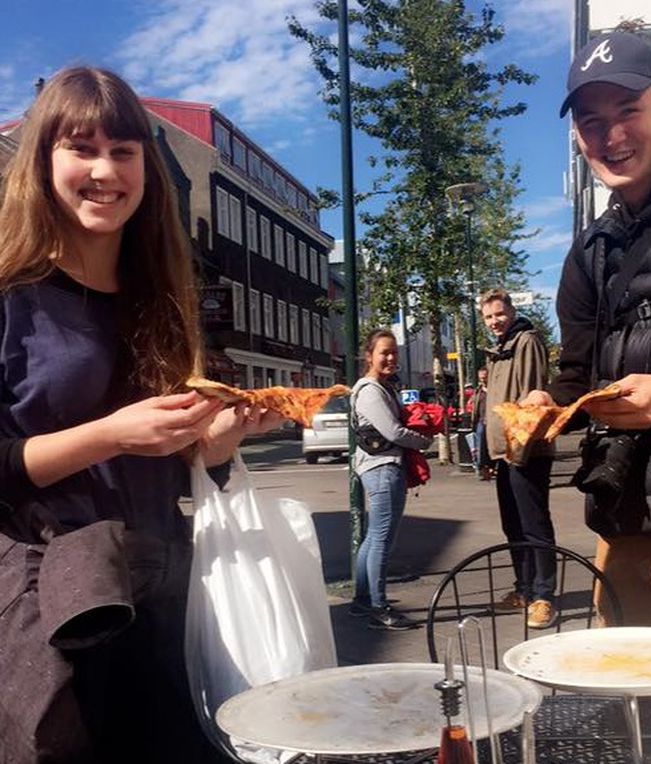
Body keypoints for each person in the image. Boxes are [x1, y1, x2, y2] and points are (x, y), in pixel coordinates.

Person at [0, 66, 282, 762]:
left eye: (123, 151)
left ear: (146, 169)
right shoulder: (13, 297)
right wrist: (107, 435)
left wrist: (213, 445)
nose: (104, 170)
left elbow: (165, 461)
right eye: (81, 148)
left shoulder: (160, 301)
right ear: (43, 161)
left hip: (162, 598)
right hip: (56, 612)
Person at [524, 31, 651, 706]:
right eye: (590, 122)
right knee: (626, 724)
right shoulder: (590, 251)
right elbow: (577, 368)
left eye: (626, 111)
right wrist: (541, 406)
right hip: (620, 530)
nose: (611, 136)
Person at [481, 288, 558, 629]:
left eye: (499, 314)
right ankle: (523, 589)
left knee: (534, 524)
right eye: (488, 317)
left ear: (510, 312)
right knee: (513, 525)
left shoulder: (525, 342)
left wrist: (520, 452)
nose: (494, 321)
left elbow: (530, 399)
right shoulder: (498, 350)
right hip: (504, 453)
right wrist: (489, 451)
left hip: (524, 452)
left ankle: (544, 596)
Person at [350, 329, 433, 631]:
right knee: (383, 539)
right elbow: (394, 432)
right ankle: (379, 607)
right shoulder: (371, 390)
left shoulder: (382, 387)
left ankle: (362, 601)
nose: (390, 358)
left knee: (374, 538)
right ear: (369, 355)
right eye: (384, 352)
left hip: (379, 467)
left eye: (394, 352)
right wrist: (424, 442)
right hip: (383, 468)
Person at [468, 367, 495, 480]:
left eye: (484, 377)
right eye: (481, 377)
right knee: (481, 445)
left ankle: (492, 467)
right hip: (482, 420)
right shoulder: (478, 390)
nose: (482, 379)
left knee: (493, 445)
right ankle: (483, 468)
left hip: (493, 420)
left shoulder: (494, 389)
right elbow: (473, 403)